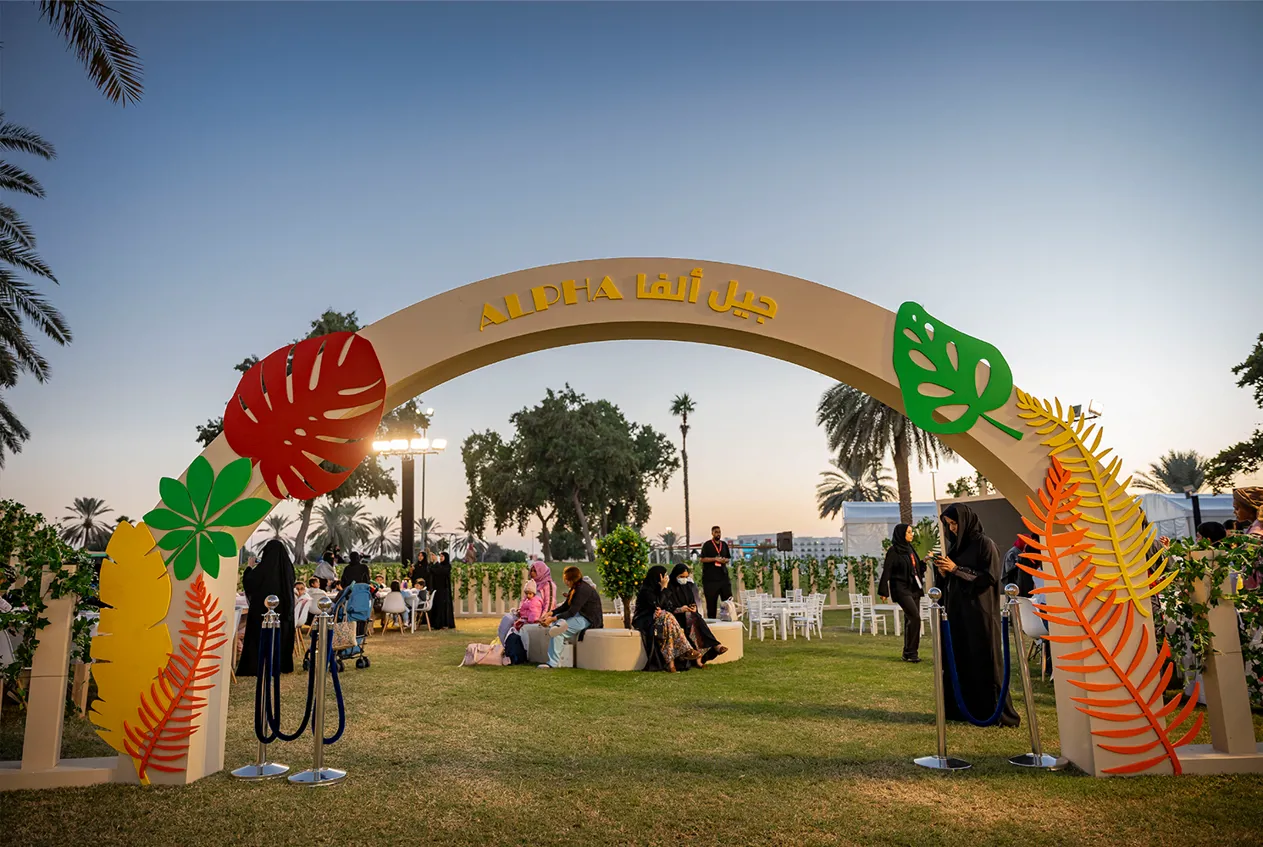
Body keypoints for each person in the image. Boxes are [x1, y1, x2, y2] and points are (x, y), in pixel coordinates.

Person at [932, 503, 1020, 727]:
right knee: (960, 659)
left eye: (954, 523)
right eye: (949, 525)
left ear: (966, 521)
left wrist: (955, 570)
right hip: (958, 613)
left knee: (985, 660)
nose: (952, 528)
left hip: (980, 613)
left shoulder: (985, 544)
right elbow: (951, 578)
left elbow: (988, 579)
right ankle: (963, 710)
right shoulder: (957, 548)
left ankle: (996, 713)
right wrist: (943, 571)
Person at [237, 539, 296, 676]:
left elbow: (250, 583)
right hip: (284, 612)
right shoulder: (287, 568)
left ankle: (258, 664)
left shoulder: (263, 569)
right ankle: (280, 664)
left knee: (260, 636)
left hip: (261, 613)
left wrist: (249, 567)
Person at [631, 566, 705, 673]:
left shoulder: (659, 589)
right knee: (667, 617)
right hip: (644, 619)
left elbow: (667, 606)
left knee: (667, 619)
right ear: (658, 576)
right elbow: (657, 604)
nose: (666, 578)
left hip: (661, 619)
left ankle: (672, 665)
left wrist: (680, 608)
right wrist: (664, 588)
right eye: (664, 575)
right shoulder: (646, 590)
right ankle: (685, 650)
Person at [538, 565, 603, 668]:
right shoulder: (576, 588)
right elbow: (566, 606)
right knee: (557, 628)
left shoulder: (582, 589)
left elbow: (571, 612)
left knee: (558, 630)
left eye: (565, 579)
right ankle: (554, 662)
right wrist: (551, 613)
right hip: (580, 616)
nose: (565, 581)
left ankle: (553, 663)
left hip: (588, 619)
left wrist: (552, 619)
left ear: (569, 579)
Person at [878, 524, 926, 663]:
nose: (912, 535)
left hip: (913, 588)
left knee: (910, 620)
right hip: (900, 589)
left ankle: (909, 653)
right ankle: (911, 653)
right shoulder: (894, 551)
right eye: (909, 532)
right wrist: (883, 591)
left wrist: (924, 562)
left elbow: (915, 569)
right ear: (901, 534)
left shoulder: (910, 549)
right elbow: (887, 570)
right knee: (915, 618)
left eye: (912, 532)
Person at [663, 563, 727, 665]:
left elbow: (691, 601)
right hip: (675, 618)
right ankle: (714, 646)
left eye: (685, 577)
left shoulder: (687, 587)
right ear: (675, 575)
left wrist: (693, 607)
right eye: (681, 577)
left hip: (688, 615)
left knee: (696, 620)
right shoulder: (669, 588)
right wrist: (680, 609)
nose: (683, 579)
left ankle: (701, 656)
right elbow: (667, 607)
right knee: (696, 621)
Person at [698, 525, 733, 619]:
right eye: (716, 532)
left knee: (728, 601)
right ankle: (711, 622)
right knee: (711, 604)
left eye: (719, 532)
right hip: (711, 579)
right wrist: (714, 559)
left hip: (723, 577)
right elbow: (702, 559)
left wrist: (724, 560)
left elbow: (728, 558)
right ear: (712, 533)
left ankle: (728, 620)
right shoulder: (707, 545)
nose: (718, 534)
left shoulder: (724, 545)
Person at [497, 579, 543, 644]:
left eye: (530, 594)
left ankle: (511, 643)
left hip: (528, 621)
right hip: (523, 618)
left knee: (516, 629)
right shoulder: (528, 600)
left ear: (534, 593)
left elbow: (534, 613)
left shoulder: (534, 602)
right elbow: (524, 609)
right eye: (527, 593)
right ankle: (508, 643)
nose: (528, 595)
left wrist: (530, 621)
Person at [428, 551, 456, 629]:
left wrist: (436, 562)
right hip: (437, 589)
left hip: (444, 590)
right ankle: (436, 623)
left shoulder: (447, 566)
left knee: (443, 607)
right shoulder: (438, 565)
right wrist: (432, 562)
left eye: (442, 556)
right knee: (437, 606)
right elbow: (431, 570)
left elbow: (441, 571)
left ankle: (444, 623)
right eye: (440, 556)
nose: (440, 558)